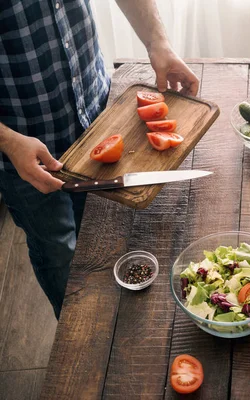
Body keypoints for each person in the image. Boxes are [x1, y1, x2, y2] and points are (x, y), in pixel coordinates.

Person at [0, 0, 199, 319]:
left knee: (108, 241)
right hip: (23, 149)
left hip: (98, 117)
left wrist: (157, 41)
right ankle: (77, 338)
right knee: (59, 254)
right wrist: (7, 140)